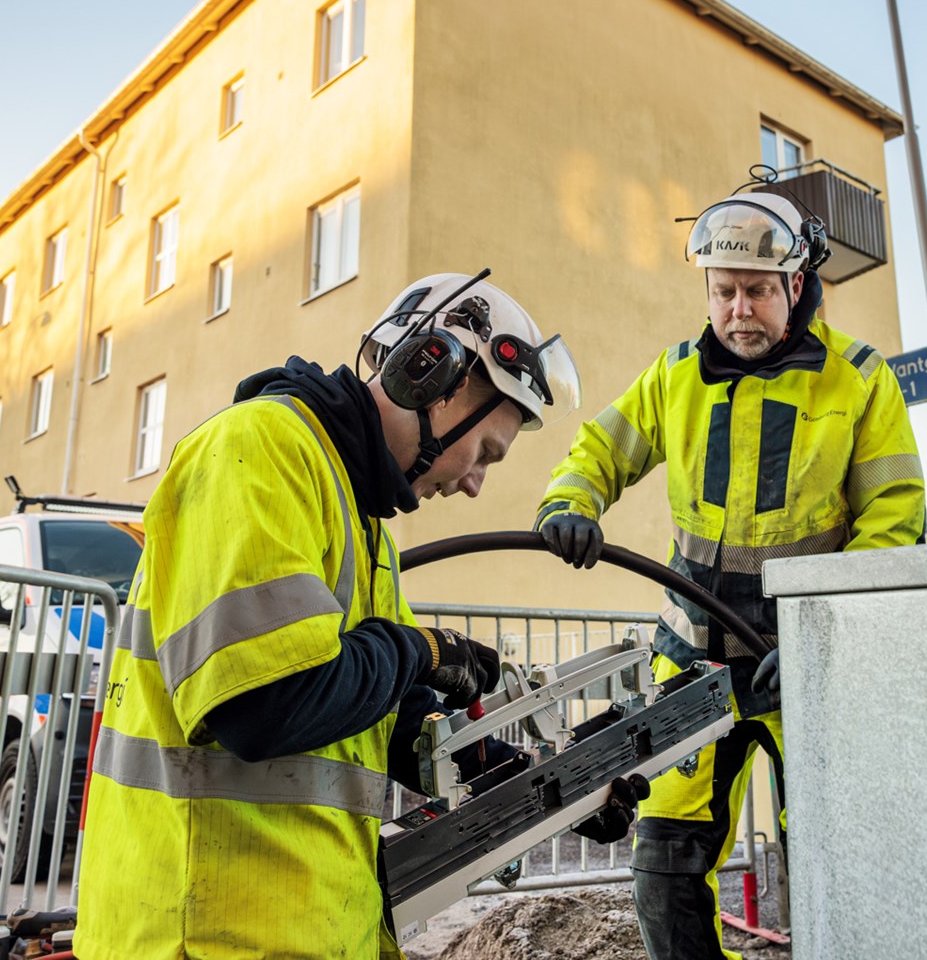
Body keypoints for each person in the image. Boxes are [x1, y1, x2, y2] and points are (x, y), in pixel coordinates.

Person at [76, 272, 646, 960]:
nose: (473, 482)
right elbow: (264, 705)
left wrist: (556, 785)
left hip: (298, 926)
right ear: (432, 378)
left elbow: (396, 723)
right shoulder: (258, 451)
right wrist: (419, 650)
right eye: (486, 453)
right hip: (204, 933)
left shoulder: (361, 521)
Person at [536, 186, 927, 960]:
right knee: (664, 870)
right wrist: (569, 502)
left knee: (830, 865)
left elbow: (893, 520)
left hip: (807, 673)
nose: (738, 309)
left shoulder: (857, 379)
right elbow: (602, 450)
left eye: (755, 291)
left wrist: (822, 635)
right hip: (693, 669)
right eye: (723, 292)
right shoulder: (675, 376)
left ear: (795, 287)